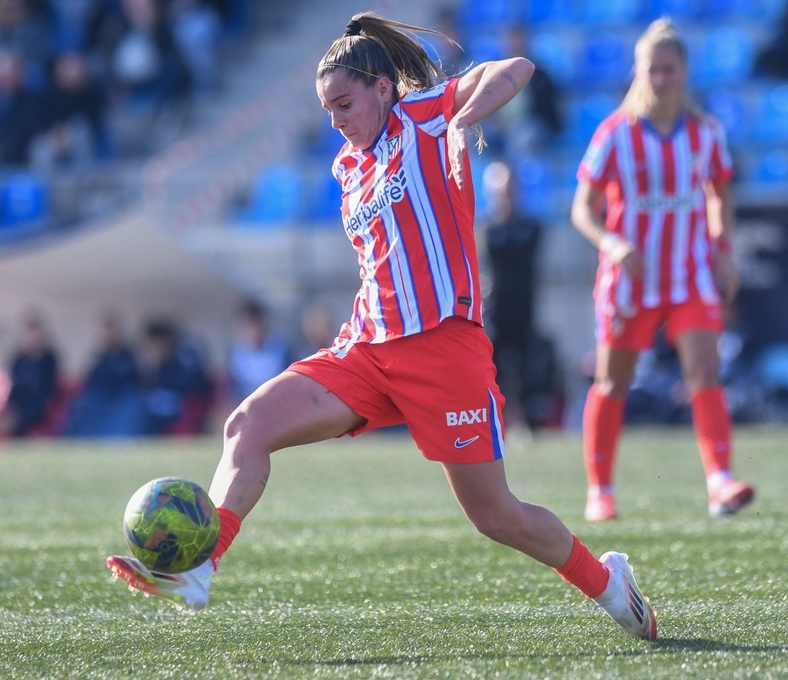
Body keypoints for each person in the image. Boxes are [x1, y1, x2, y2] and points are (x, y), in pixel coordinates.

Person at [107, 12, 657, 642]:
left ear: (383, 88)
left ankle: (608, 581)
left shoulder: (424, 116)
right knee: (247, 424)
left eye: (344, 103)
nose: (336, 120)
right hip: (365, 350)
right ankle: (201, 566)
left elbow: (517, 70)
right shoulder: (347, 168)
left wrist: (461, 119)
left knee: (495, 515)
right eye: (327, 110)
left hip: (444, 349)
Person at [569, 19, 755, 522]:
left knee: (705, 372)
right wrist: (611, 241)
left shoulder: (706, 133)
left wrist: (722, 248)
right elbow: (581, 208)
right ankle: (600, 489)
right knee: (613, 383)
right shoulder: (615, 134)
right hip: (630, 280)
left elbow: (720, 193)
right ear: (638, 72)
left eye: (668, 70)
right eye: (652, 70)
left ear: (685, 72)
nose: (660, 80)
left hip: (688, 275)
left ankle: (719, 482)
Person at [480, 159, 543, 433]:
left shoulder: (529, 227)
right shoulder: (486, 228)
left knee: (526, 368)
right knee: (495, 368)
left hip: (523, 309)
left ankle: (527, 422)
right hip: (495, 310)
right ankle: (500, 421)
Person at [2, 312, 59, 436]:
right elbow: (15, 384)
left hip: (40, 401)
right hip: (20, 401)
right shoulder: (19, 359)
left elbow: (49, 386)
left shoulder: (48, 359)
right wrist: (10, 406)